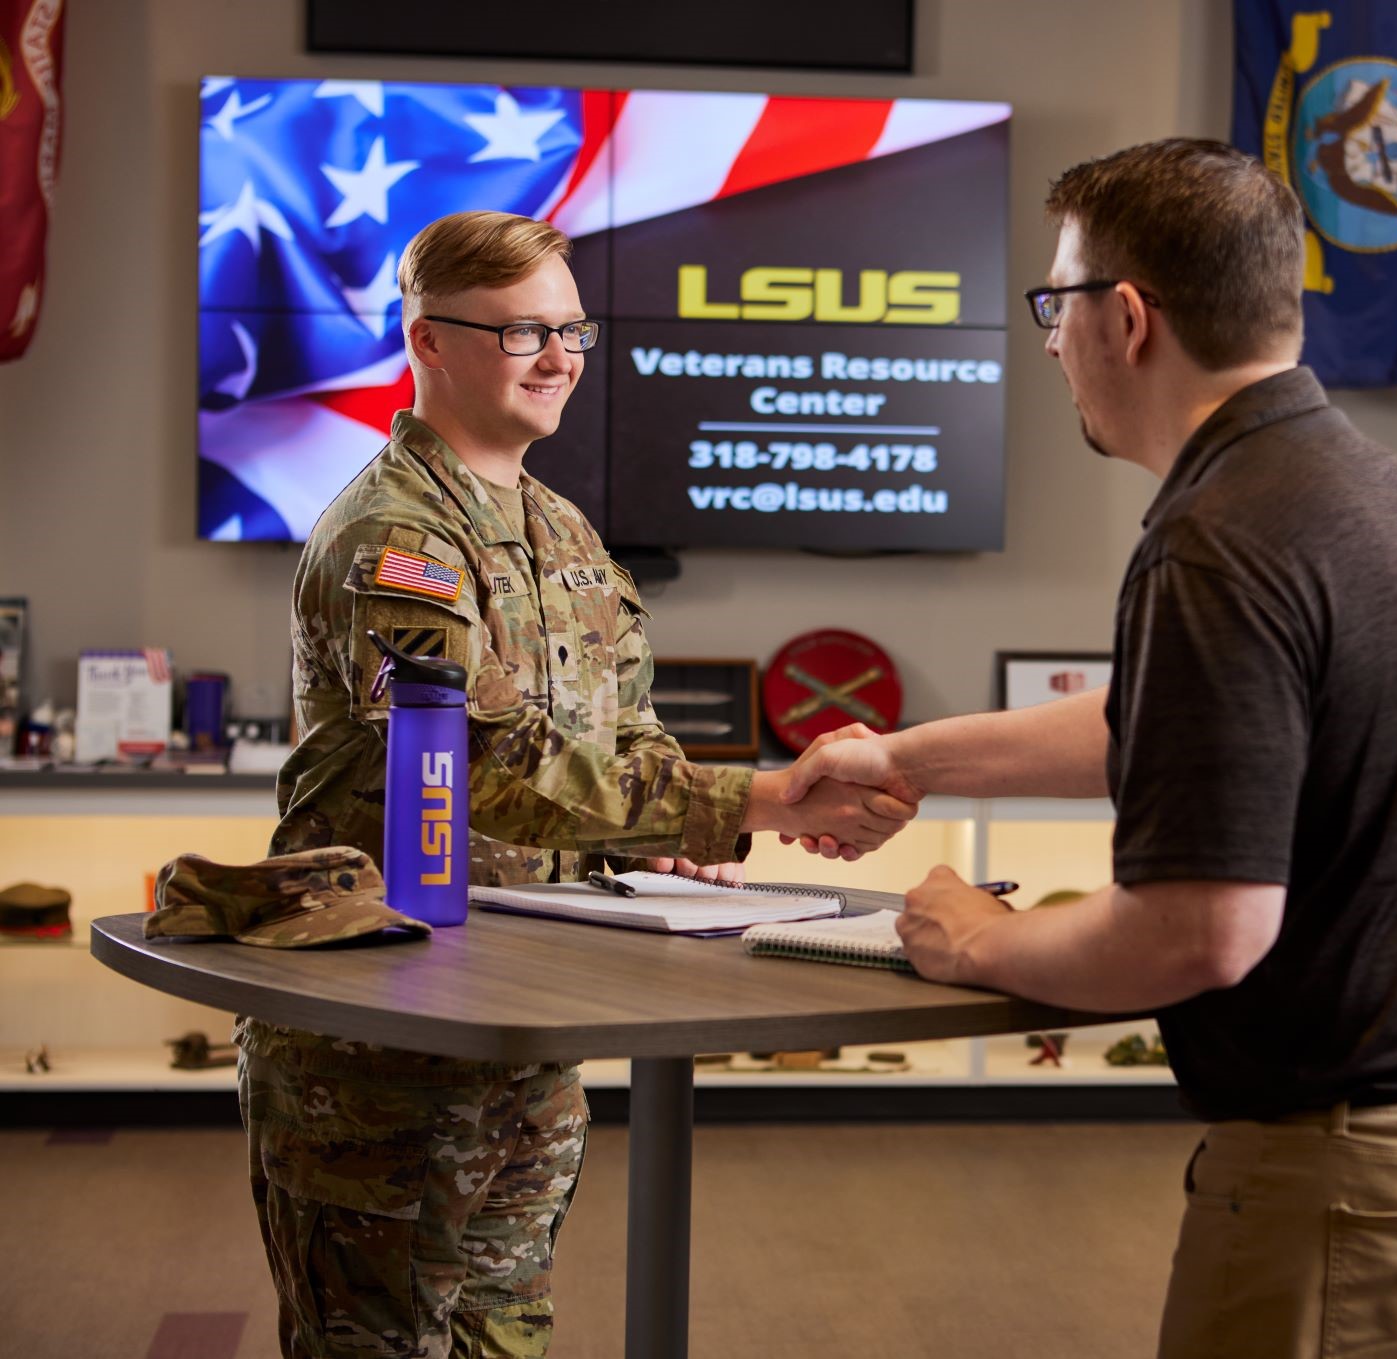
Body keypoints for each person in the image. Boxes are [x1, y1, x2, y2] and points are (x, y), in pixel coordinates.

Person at [782, 140, 1397, 1357]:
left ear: (1127, 317)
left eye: (1056, 305)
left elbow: (1205, 930)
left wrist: (978, 940)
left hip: (1378, 1172)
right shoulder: (1369, 485)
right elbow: (1170, 720)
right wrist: (915, 759)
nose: (1050, 337)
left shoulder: (1217, 540)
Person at [238, 209, 916, 1359]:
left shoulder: (563, 532)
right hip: (384, 1062)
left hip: (528, 1032)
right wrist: (749, 799)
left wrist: (664, 840)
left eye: (573, 330)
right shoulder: (393, 537)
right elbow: (480, 765)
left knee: (508, 1336)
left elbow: (622, 740)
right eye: (524, 334)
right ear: (430, 341)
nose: (561, 359)